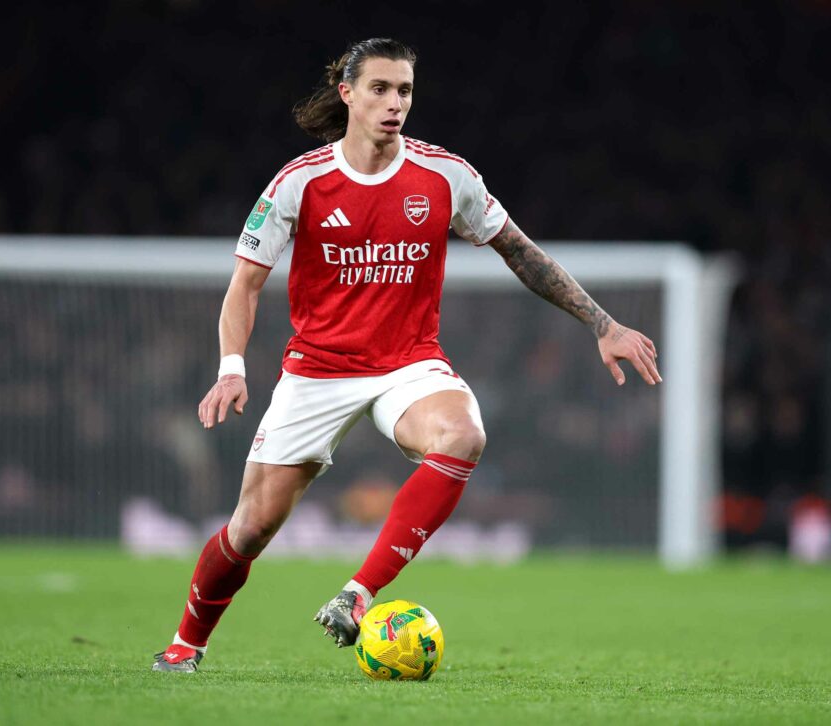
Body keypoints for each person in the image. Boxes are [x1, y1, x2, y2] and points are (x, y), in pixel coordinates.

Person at [152, 38, 661, 672]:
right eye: (381, 89)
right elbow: (245, 284)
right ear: (348, 94)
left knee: (462, 435)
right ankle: (186, 643)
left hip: (407, 364)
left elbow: (521, 252)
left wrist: (602, 323)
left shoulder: (446, 176)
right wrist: (232, 367)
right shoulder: (300, 182)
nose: (396, 104)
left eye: (406, 91)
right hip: (317, 369)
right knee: (251, 528)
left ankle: (358, 593)